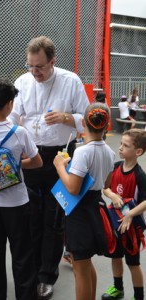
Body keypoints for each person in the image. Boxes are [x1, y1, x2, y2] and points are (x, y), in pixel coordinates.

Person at [8, 35, 89, 299]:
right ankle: (31, 271)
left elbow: (88, 121)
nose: (34, 72)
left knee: (54, 221)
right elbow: (10, 117)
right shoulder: (22, 82)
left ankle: (46, 276)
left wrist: (67, 117)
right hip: (29, 156)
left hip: (60, 157)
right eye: (30, 66)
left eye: (40, 67)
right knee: (30, 216)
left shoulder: (71, 81)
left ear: (53, 62)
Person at [0, 79, 43, 300]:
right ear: (10, 105)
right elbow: (38, 162)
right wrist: (13, 165)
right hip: (17, 203)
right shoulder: (19, 132)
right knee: (22, 254)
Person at [53, 102, 115, 300]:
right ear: (106, 126)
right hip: (95, 207)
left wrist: (60, 166)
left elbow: (73, 187)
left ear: (83, 122)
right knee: (86, 264)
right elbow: (106, 183)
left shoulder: (82, 152)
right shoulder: (109, 152)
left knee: (80, 268)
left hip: (79, 211)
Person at [101, 128, 146, 300]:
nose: (120, 148)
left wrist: (129, 215)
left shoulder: (140, 176)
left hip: (131, 227)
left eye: (125, 145)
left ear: (138, 152)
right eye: (120, 144)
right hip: (114, 222)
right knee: (115, 257)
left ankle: (138, 296)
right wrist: (112, 195)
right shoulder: (116, 167)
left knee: (133, 264)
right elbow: (106, 187)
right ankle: (118, 288)